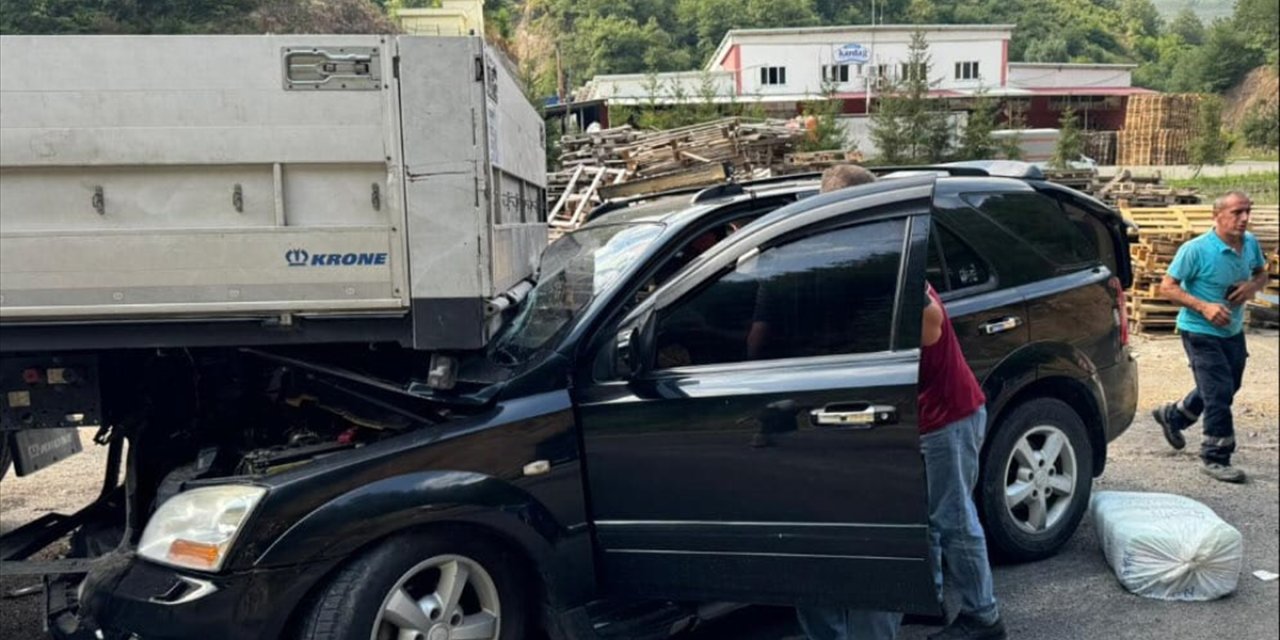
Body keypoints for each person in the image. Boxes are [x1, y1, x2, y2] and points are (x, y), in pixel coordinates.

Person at [796, 166, 1005, 640]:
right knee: (921, 519)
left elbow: (929, 328)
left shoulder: (889, 253)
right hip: (915, 415)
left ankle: (984, 617)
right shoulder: (868, 252)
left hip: (945, 413)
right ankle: (925, 599)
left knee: (952, 519)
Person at [1152, 190, 1268, 484]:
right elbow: (1167, 287)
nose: (1244, 219)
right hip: (1199, 330)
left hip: (1232, 330)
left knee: (1229, 385)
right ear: (1216, 216)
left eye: (1247, 212)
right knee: (1218, 393)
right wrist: (1204, 307)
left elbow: (1262, 274)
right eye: (1236, 213)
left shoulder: (1250, 243)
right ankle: (1215, 456)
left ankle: (1175, 417)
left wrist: (1251, 287)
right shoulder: (1196, 249)